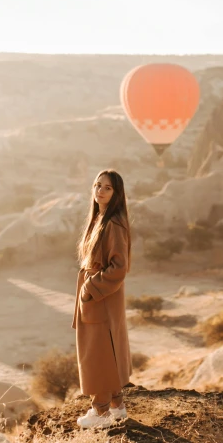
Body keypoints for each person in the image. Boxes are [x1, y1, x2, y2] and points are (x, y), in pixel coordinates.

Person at [73, 169, 132, 429]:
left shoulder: (114, 224)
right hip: (98, 295)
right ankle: (117, 405)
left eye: (107, 187)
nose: (100, 191)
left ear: (116, 193)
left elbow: (119, 267)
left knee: (98, 353)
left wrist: (91, 287)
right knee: (105, 350)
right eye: (97, 185)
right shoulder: (100, 220)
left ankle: (101, 411)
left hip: (102, 295)